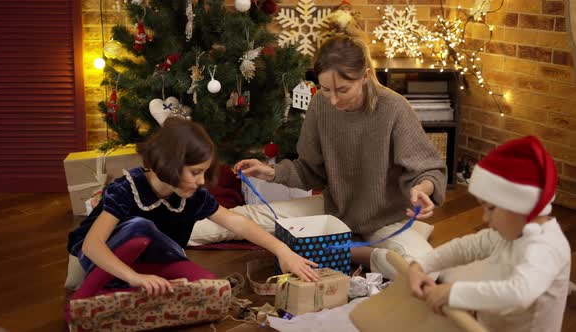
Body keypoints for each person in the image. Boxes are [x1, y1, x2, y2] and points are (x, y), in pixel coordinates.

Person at [234, 35, 447, 279]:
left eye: (343, 90)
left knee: (427, 271)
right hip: (333, 210)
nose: (333, 100)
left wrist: (423, 188)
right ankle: (180, 225)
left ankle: (358, 254)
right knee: (237, 218)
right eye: (326, 90)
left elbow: (429, 169)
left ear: (365, 76)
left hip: (384, 219)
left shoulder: (395, 108)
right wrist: (270, 172)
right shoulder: (319, 105)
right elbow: (309, 170)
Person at [67, 117, 319, 297]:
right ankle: (98, 292)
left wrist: (282, 250)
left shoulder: (192, 194)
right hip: (104, 258)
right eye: (195, 172)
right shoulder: (127, 188)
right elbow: (92, 245)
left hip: (152, 261)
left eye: (204, 172)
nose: (201, 181)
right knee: (141, 228)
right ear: (169, 164)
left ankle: (128, 290)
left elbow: (237, 222)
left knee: (211, 287)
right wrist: (135, 278)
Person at [408, 136, 571, 332]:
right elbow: (467, 247)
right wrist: (421, 265)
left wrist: (452, 292)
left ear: (520, 206)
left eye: (491, 208)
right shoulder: (510, 233)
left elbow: (518, 294)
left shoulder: (547, 248)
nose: (485, 219)